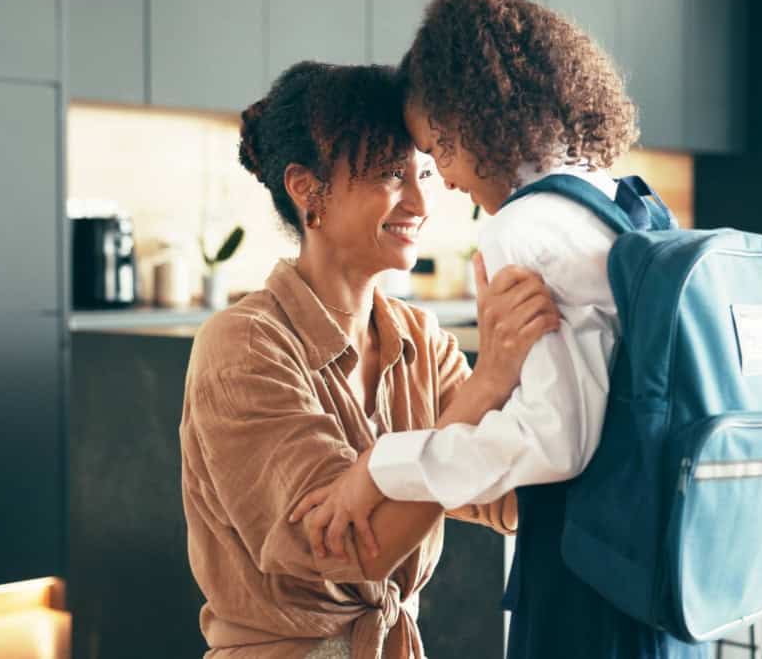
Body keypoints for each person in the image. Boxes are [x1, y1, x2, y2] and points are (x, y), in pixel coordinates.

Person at [293, 0, 711, 659]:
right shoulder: (612, 199)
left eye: (437, 151)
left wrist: (380, 464)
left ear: (469, 119)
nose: (447, 184)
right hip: (662, 572)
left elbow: (555, 441)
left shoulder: (522, 227)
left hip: (593, 587)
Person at [179, 61, 560, 659]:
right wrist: (489, 380)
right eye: (389, 174)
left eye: (425, 172)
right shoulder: (243, 346)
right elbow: (352, 550)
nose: (419, 200)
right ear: (307, 188)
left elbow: (495, 490)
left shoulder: (420, 338)